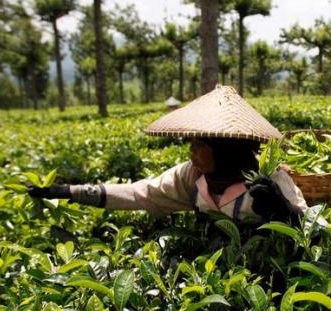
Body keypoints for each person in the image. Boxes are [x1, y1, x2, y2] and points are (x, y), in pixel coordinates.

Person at [27, 85, 307, 225]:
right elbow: (140, 193)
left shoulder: (269, 177)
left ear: (224, 148)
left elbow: (310, 227)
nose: (191, 151)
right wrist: (70, 191)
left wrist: (283, 210)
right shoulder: (192, 176)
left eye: (199, 145)